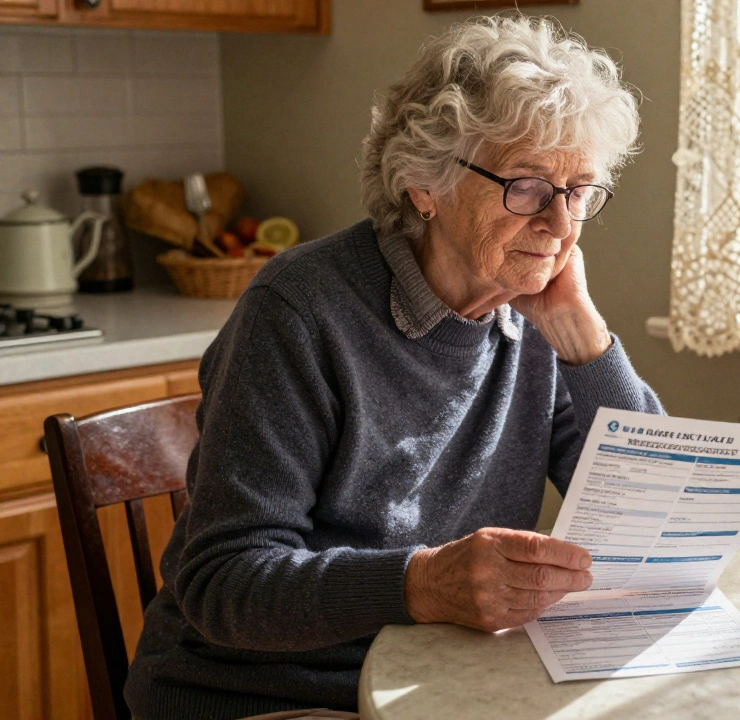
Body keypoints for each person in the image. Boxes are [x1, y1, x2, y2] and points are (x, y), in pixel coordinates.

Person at [125, 16, 662, 720]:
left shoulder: (535, 311)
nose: (561, 227)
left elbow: (658, 511)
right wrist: (422, 583)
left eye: (580, 192)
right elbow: (223, 582)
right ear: (424, 184)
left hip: (437, 679)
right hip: (263, 692)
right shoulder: (300, 311)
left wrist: (586, 340)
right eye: (528, 186)